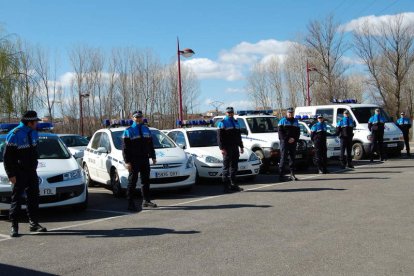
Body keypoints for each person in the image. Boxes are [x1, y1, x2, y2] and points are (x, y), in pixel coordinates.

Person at [3, 111, 47, 238]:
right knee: (16, 199)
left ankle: (33, 224)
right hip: (19, 172)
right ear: (30, 122)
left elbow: (34, 151)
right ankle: (14, 226)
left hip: (31, 172)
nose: (37, 124)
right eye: (35, 122)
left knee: (33, 198)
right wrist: (11, 174)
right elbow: (7, 157)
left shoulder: (34, 132)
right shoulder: (15, 134)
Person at [122, 111, 157, 212]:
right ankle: (130, 203)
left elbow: (150, 145)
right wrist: (127, 162)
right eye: (136, 117)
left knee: (145, 180)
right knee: (132, 182)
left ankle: (146, 200)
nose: (138, 119)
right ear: (133, 118)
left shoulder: (146, 129)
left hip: (144, 159)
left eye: (140, 117)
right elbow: (125, 149)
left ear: (142, 118)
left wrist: (153, 156)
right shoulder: (128, 131)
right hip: (133, 160)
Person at [217, 107, 244, 193]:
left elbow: (239, 136)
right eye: (228, 112)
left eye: (231, 112)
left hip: (235, 147)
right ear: (226, 113)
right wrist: (222, 148)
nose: (230, 114)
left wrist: (241, 146)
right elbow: (219, 137)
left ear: (233, 113)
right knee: (226, 168)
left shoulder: (236, 122)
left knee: (234, 167)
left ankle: (233, 185)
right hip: (227, 148)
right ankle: (225, 187)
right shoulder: (222, 123)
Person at [278, 108, 300, 181]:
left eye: (291, 113)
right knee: (283, 158)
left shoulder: (296, 121)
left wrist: (295, 139)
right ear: (286, 113)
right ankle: (281, 175)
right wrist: (287, 139)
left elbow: (298, 132)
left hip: (293, 142)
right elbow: (280, 133)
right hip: (284, 142)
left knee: (292, 158)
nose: (290, 114)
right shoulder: (282, 121)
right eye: (289, 113)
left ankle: (292, 174)